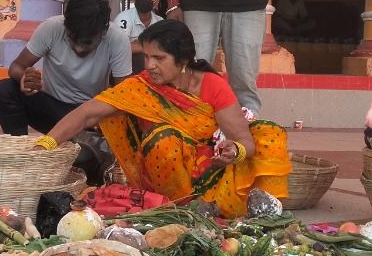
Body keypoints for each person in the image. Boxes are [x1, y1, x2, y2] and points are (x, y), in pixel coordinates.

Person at [33, 20, 292, 218]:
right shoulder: (141, 87)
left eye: (159, 58)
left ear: (183, 60)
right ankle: (177, 210)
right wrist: (44, 145)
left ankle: (251, 209)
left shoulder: (212, 85)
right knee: (163, 139)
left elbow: (245, 141)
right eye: (146, 57)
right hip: (164, 175)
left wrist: (233, 150)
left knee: (268, 132)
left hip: (212, 174)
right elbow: (86, 113)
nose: (149, 66)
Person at [0, 0, 133, 136]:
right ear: (65, 25)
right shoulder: (51, 28)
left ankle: (86, 142)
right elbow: (16, 66)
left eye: (87, 42)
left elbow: (124, 95)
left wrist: (102, 120)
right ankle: (19, 149)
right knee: (6, 89)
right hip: (53, 111)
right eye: (72, 39)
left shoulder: (117, 39)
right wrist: (24, 78)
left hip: (90, 117)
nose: (78, 49)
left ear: (103, 32)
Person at [114, 0, 165, 72]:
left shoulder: (160, 22)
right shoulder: (124, 18)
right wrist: (150, 46)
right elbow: (119, 48)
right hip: (125, 70)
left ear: (156, 2)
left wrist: (137, 45)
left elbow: (165, 49)